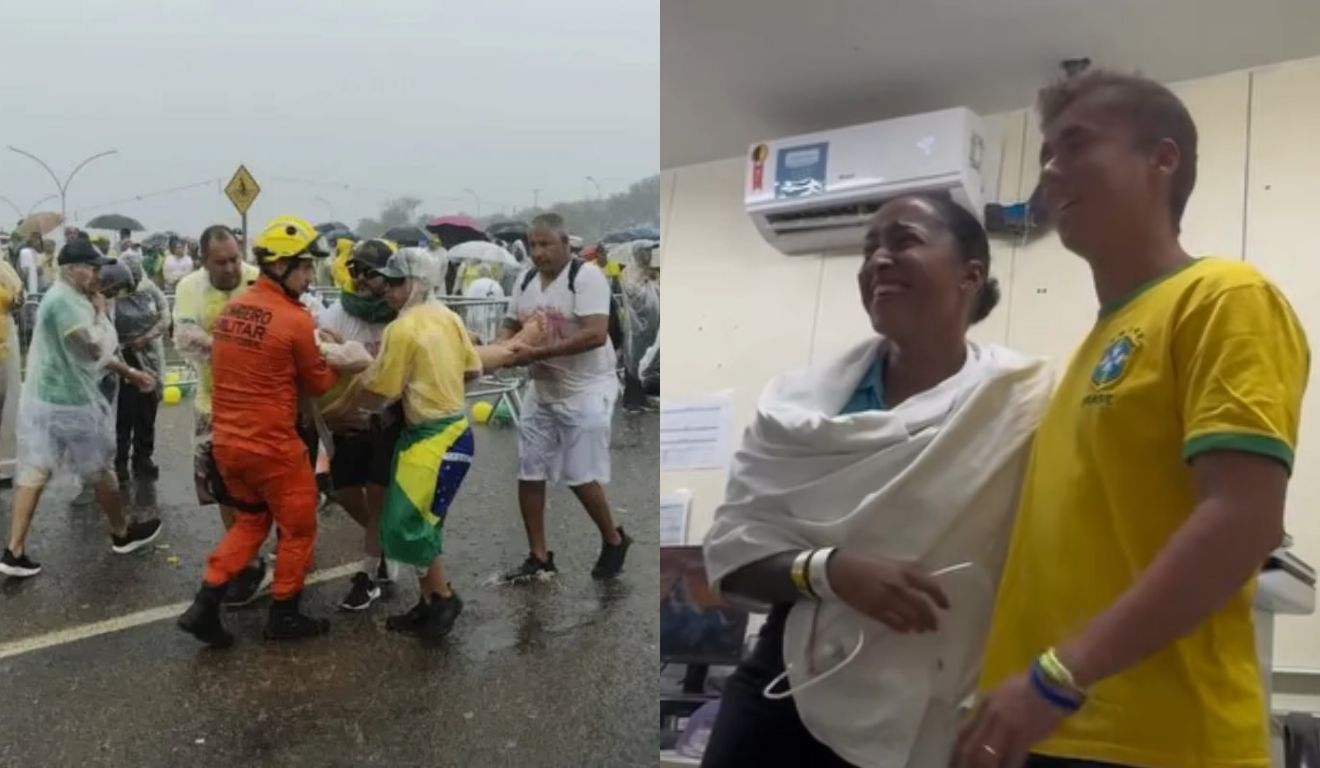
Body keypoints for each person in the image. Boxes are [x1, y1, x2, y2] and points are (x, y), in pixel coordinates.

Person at [957, 71, 1310, 768]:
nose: (1050, 170)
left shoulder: (1223, 296)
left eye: (1075, 144)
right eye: (1045, 155)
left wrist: (1058, 676)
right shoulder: (1088, 351)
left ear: (1163, 158)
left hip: (1157, 743)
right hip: (1043, 733)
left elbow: (1244, 518)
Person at [698, 195, 1051, 768]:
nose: (877, 262)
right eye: (868, 250)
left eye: (904, 240)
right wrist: (831, 570)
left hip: (934, 695)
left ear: (971, 275)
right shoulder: (797, 411)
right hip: (789, 678)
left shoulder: (1024, 400)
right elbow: (731, 556)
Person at [325, 248, 541, 643]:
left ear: (417, 283)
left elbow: (381, 389)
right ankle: (430, 601)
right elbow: (472, 368)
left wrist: (346, 401)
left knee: (405, 524)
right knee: (419, 523)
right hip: (453, 431)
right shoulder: (448, 317)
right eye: (386, 282)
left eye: (395, 283)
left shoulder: (402, 329)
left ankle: (442, 599)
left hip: (430, 438)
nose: (387, 290)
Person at [176, 216, 360, 647]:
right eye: (305, 267)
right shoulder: (293, 320)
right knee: (298, 530)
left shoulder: (231, 312)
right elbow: (318, 383)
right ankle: (284, 614)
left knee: (250, 522)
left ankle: (205, 605)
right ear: (280, 266)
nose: (310, 275)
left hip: (227, 442)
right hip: (273, 446)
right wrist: (344, 359)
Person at [0, 241, 162, 578]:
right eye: (93, 268)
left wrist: (131, 373)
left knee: (37, 470)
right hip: (68, 402)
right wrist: (102, 314)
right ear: (73, 269)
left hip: (50, 398)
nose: (99, 275)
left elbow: (96, 354)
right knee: (100, 468)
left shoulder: (72, 299)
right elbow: (93, 348)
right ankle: (121, 533)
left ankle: (14, 551)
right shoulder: (64, 302)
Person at [497, 213, 632, 583]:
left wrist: (534, 353)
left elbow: (594, 334)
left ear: (565, 244)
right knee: (529, 471)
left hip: (587, 388)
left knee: (579, 475)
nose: (538, 252)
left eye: (546, 244)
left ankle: (613, 538)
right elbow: (511, 324)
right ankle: (539, 556)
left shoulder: (585, 277)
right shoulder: (525, 279)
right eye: (534, 244)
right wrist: (498, 348)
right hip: (543, 389)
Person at [172, 225, 264, 605]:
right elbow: (185, 337)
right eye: (221, 262)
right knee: (223, 488)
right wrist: (236, 350)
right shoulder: (190, 288)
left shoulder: (258, 281)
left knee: (268, 487)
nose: (231, 268)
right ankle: (247, 561)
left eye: (235, 259)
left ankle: (273, 553)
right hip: (214, 404)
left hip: (263, 404)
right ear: (203, 260)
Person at [316, 238, 403, 610]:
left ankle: (368, 575)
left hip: (390, 416)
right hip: (347, 417)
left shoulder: (401, 311)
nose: (361, 279)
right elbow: (321, 348)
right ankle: (383, 541)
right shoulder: (339, 311)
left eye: (369, 272)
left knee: (379, 494)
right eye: (354, 270)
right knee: (344, 490)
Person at [112, 254, 170, 480]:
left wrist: (146, 338)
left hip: (148, 356)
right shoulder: (113, 292)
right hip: (122, 357)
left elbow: (165, 317)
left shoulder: (149, 289)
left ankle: (143, 457)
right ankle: (119, 461)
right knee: (123, 412)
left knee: (147, 410)